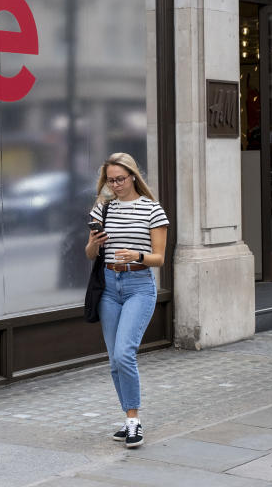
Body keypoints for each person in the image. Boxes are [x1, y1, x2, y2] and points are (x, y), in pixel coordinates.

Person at [85, 153, 168, 449]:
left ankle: (134, 420)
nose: (116, 185)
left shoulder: (152, 209)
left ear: (133, 176)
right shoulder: (103, 207)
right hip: (108, 286)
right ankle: (128, 417)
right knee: (114, 360)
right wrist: (94, 244)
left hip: (138, 285)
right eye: (110, 180)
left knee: (124, 354)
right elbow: (90, 255)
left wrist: (137, 256)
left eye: (120, 178)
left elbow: (159, 257)